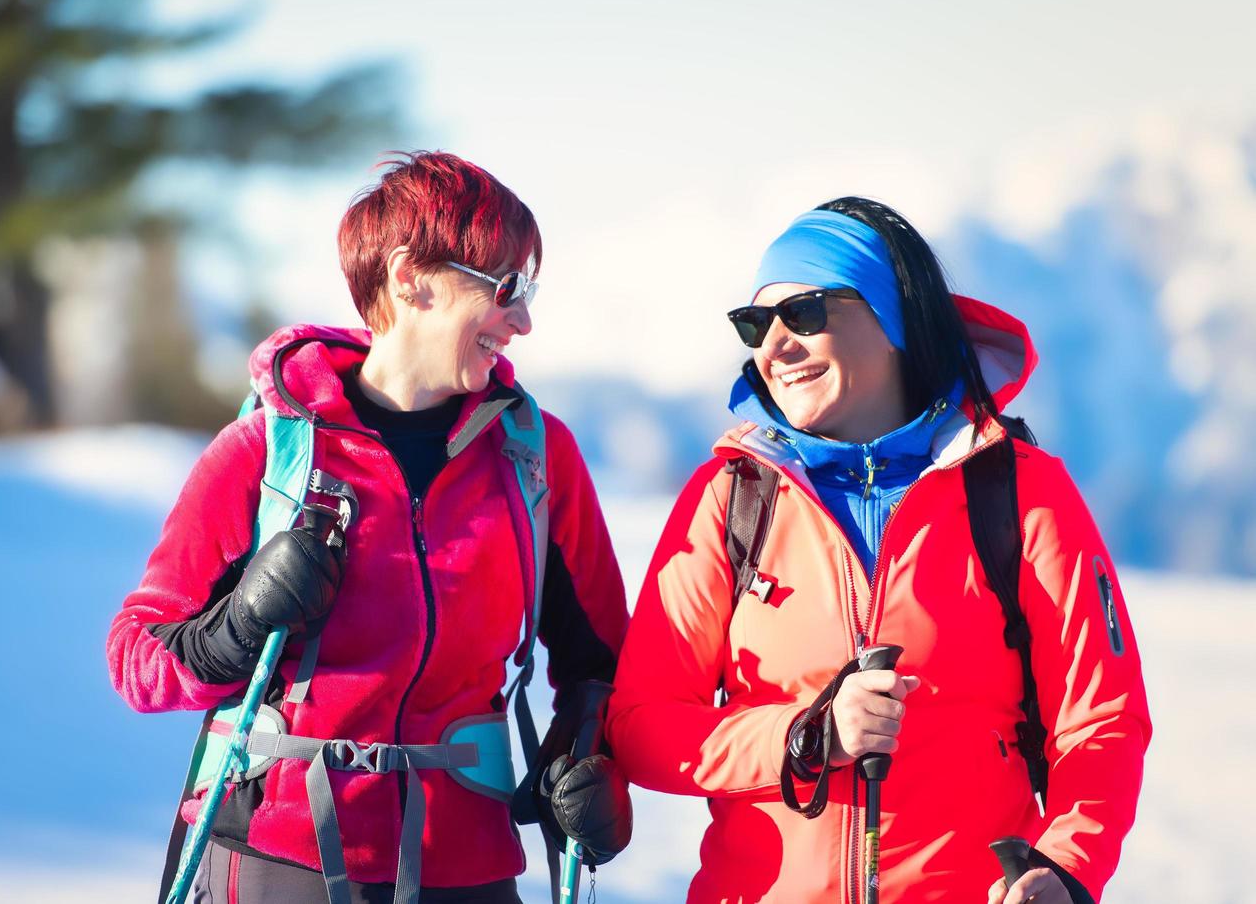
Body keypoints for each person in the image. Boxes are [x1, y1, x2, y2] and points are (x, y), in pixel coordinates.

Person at [108, 152, 631, 903]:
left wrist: (588, 758)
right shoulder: (268, 450)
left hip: (468, 866)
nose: (522, 320)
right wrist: (238, 626)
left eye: (529, 291)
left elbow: (604, 663)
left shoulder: (535, 457)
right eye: (506, 288)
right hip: (277, 858)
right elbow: (136, 655)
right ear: (410, 276)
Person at [605, 197, 1150, 903]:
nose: (773, 345)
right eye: (755, 325)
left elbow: (1102, 720)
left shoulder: (1018, 491)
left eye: (804, 313)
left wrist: (1067, 868)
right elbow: (642, 727)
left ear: (893, 320)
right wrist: (805, 738)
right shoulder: (731, 497)